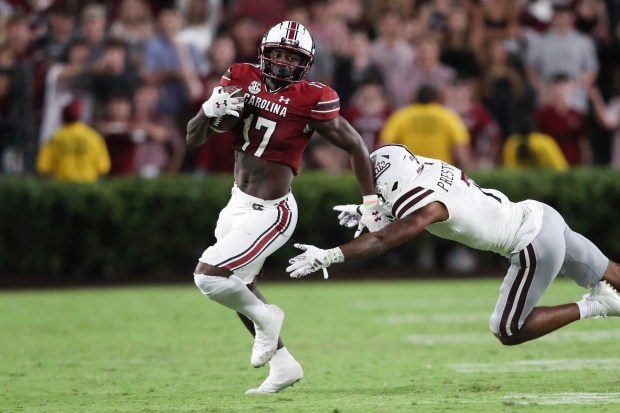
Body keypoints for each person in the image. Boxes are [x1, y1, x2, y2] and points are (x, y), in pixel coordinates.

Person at [185, 21, 383, 394]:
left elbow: (356, 144)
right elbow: (194, 137)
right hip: (236, 202)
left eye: (291, 57)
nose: (281, 62)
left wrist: (370, 202)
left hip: (273, 211)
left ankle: (267, 317)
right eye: (276, 53)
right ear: (264, 52)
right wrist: (208, 109)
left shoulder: (312, 98)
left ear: (304, 63)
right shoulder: (242, 78)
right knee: (239, 284)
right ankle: (283, 365)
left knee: (209, 276)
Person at [287, 144, 620, 348]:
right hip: (541, 215)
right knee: (610, 271)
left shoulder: (427, 205)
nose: (377, 195)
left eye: (378, 189)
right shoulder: (428, 167)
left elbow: (383, 238)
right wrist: (370, 209)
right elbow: (412, 205)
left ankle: (596, 306)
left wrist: (329, 255)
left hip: (533, 245)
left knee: (507, 329)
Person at [380, 83, 473, 171]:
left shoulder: (401, 116)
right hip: (440, 171)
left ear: (416, 98)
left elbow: (384, 145)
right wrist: (469, 171)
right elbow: (461, 149)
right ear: (436, 98)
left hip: (409, 171)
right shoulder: (447, 116)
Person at [36, 100, 110, 182]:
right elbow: (104, 168)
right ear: (80, 116)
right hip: (89, 187)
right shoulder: (94, 137)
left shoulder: (54, 139)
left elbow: (43, 168)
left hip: (64, 189)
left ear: (63, 117)